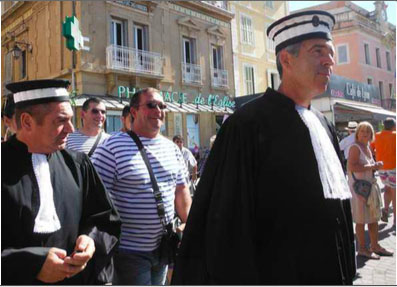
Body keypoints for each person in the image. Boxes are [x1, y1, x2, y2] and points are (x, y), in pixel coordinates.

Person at [172, 11, 356, 285]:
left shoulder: (323, 125)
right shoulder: (246, 125)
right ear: (286, 59)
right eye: (318, 51)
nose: (329, 60)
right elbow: (227, 226)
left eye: (330, 52)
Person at [2, 79, 121, 285]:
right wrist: (31, 265)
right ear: (28, 122)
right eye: (60, 121)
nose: (71, 129)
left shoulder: (78, 164)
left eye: (71, 120)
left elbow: (103, 218)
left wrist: (90, 240)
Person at [91, 87, 192, 285]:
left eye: (162, 106)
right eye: (151, 105)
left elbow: (181, 191)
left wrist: (190, 224)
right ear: (134, 112)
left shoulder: (172, 148)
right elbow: (93, 197)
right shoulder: (111, 147)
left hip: (163, 246)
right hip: (129, 251)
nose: (159, 111)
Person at [347, 121, 393, 259]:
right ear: (357, 133)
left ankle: (375, 246)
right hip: (359, 190)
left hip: (369, 188)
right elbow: (351, 167)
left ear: (371, 134)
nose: (365, 134)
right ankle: (362, 249)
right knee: (361, 220)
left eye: (368, 132)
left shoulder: (367, 147)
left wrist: (375, 165)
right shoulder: (355, 147)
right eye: (362, 131)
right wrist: (372, 167)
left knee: (373, 218)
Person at [372, 117, 396, 226]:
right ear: (393, 126)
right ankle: (395, 219)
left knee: (387, 188)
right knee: (395, 193)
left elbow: (371, 148)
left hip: (381, 168)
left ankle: (386, 210)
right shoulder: (395, 135)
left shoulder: (376, 135)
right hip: (393, 167)